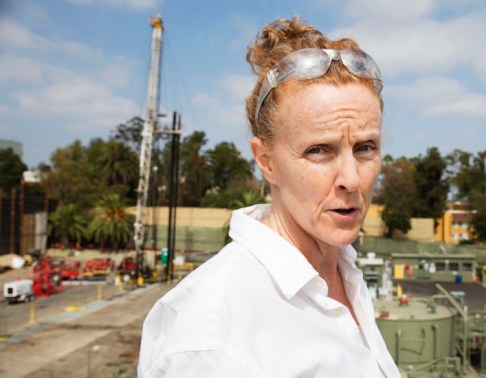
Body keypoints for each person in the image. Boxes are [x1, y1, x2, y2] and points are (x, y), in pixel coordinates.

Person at [138, 16, 400, 378]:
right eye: (318, 151)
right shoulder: (213, 342)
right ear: (266, 162)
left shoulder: (344, 271)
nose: (352, 180)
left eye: (365, 147)